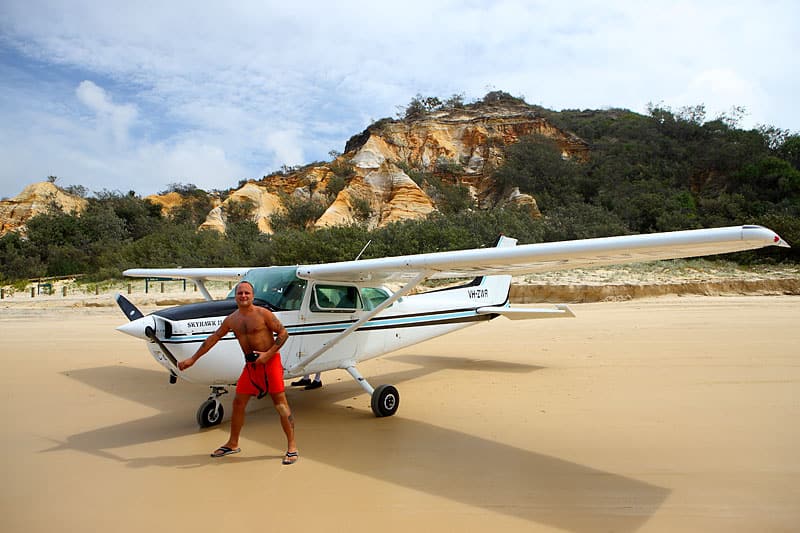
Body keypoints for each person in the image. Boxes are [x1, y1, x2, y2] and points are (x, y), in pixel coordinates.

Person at [177, 280, 298, 465]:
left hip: (270, 363)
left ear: (253, 296)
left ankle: (292, 447)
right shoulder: (232, 319)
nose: (243, 296)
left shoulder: (263, 314)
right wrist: (192, 359)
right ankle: (233, 444)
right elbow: (214, 338)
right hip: (250, 367)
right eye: (240, 293)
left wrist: (268, 355)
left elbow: (283, 333)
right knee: (238, 403)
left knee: (281, 405)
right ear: (236, 296)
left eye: (247, 293)